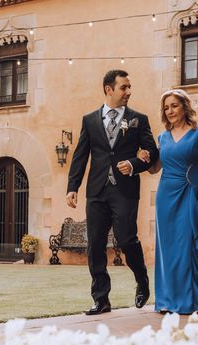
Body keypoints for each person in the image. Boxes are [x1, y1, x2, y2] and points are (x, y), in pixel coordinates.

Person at [66, 69, 159, 315]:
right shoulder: (90, 120)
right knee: (95, 244)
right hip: (96, 191)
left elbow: (152, 152)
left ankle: (142, 279)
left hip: (125, 190)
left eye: (129, 87)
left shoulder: (139, 119)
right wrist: (72, 187)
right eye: (124, 87)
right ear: (109, 89)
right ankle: (101, 299)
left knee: (127, 239)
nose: (129, 92)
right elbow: (80, 155)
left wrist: (134, 164)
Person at [146, 89, 198, 314]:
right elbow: (154, 169)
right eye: (166, 107)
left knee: (191, 244)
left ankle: (193, 299)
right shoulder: (162, 138)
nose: (170, 111)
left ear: (185, 107)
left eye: (174, 106)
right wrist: (141, 156)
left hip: (191, 193)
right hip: (166, 196)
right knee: (168, 249)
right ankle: (167, 300)